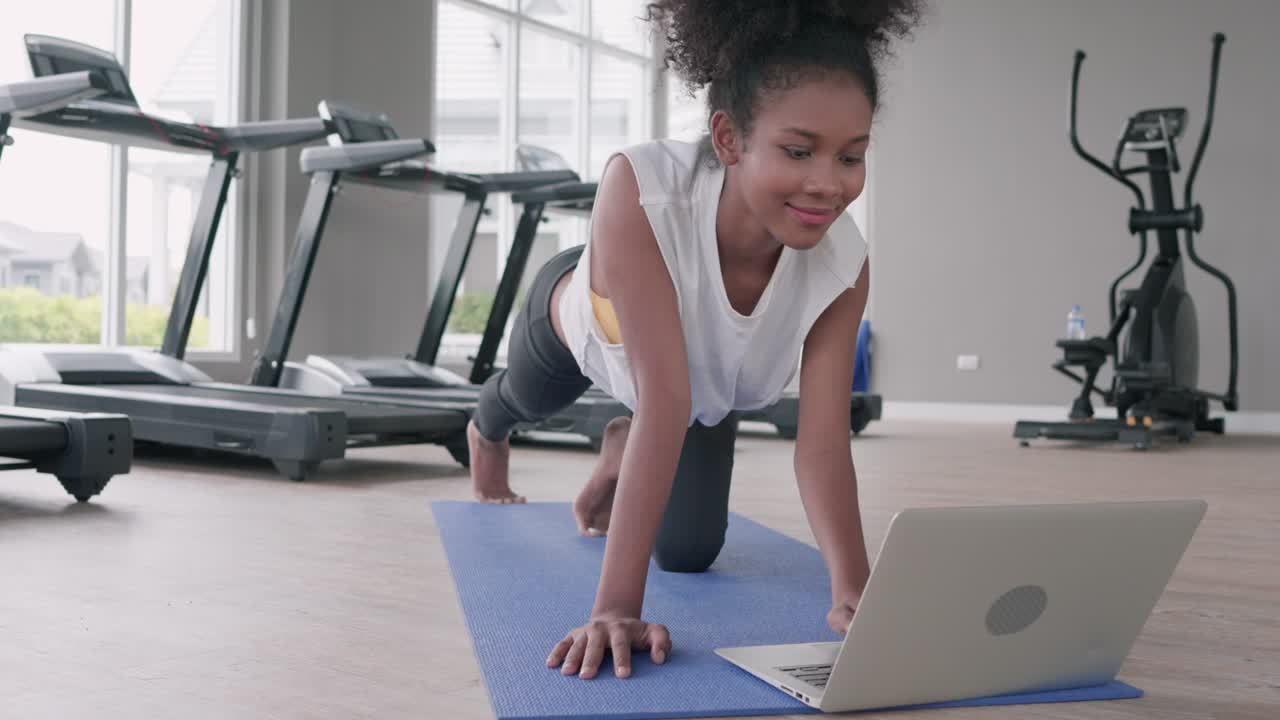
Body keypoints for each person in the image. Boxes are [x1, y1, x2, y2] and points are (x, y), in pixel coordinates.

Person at [466, 0, 923, 681]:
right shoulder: (645, 190)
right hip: (582, 321)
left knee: (688, 550)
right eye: (798, 151)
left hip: (693, 393)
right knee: (527, 396)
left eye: (851, 156)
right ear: (729, 139)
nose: (829, 183)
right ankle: (485, 427)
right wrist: (615, 608)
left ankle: (623, 444)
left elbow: (822, 441)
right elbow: (666, 399)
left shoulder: (842, 264)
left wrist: (854, 590)